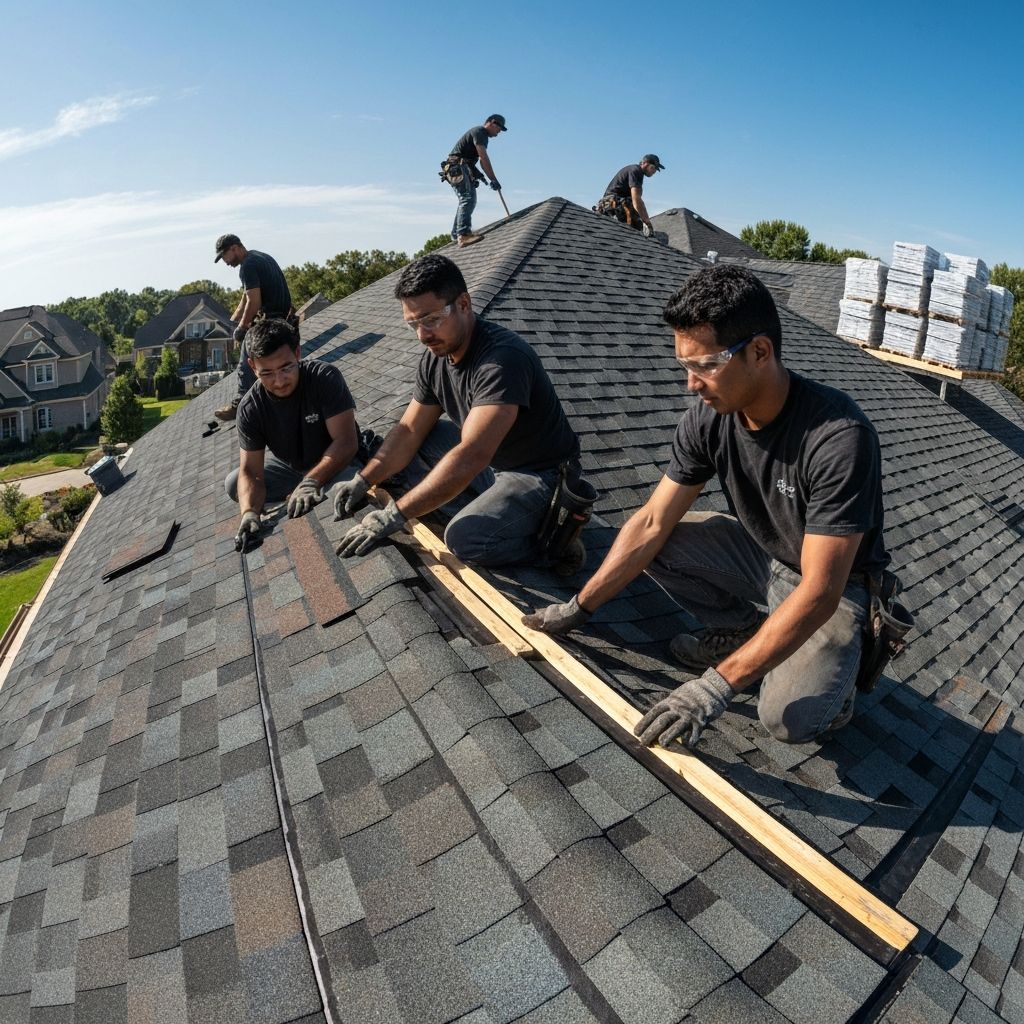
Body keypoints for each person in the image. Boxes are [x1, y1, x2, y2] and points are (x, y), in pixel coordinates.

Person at [524, 264, 891, 750]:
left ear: (760, 352)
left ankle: (838, 690)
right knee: (656, 541)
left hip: (837, 587)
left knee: (790, 721)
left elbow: (822, 589)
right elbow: (653, 520)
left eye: (705, 365)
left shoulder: (838, 438)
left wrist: (716, 687)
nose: (690, 385)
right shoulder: (708, 418)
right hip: (764, 558)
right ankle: (743, 630)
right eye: (685, 366)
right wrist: (580, 605)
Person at [333, 254, 588, 571]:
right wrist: (363, 478)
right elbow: (409, 431)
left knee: (466, 539)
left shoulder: (502, 359)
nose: (423, 335)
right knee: (424, 437)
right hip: (495, 463)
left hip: (540, 474)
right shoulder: (435, 357)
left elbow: (471, 455)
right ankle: (489, 507)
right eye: (413, 324)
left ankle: (552, 544)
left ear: (464, 304)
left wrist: (391, 516)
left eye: (431, 319)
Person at [227, 318, 360, 551]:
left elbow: (346, 442)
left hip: (339, 461)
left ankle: (314, 485)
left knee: (348, 491)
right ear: (252, 366)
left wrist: (311, 481)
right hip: (294, 467)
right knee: (234, 483)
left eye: (286, 368)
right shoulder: (251, 408)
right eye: (266, 373)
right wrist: (249, 514)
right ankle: (301, 488)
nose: (279, 382)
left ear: (297, 353)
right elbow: (251, 471)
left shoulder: (323, 378)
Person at [213, 233, 295, 421]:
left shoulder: (248, 266)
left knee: (246, 359)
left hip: (272, 320)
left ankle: (242, 404)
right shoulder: (259, 257)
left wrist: (242, 329)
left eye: (224, 256)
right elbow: (246, 297)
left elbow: (254, 301)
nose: (225, 262)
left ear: (234, 248)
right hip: (283, 317)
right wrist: (235, 319)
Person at [442, 115, 507, 248]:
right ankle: (463, 234)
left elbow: (480, 163)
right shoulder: (480, 132)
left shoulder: (479, 134)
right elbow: (483, 158)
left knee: (465, 198)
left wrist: (486, 178)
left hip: (457, 167)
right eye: (498, 129)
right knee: (468, 198)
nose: (498, 133)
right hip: (457, 167)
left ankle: (456, 234)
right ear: (492, 123)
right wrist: (493, 179)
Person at [596, 154, 664, 236]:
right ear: (645, 163)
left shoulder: (636, 172)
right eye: (653, 168)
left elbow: (637, 200)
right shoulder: (636, 171)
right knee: (635, 228)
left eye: (656, 170)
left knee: (637, 223)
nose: (654, 171)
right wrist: (647, 223)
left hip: (610, 203)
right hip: (613, 203)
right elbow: (637, 201)